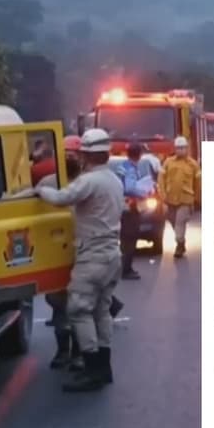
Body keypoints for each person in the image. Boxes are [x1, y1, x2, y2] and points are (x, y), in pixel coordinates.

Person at [36, 128, 124, 392]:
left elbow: (61, 198)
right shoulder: (113, 180)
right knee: (102, 310)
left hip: (92, 255)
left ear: (87, 155)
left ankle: (92, 369)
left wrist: (40, 191)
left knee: (78, 309)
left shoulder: (90, 181)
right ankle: (104, 368)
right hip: (112, 255)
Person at [158, 135, 201, 258]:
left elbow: (198, 184)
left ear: (187, 148)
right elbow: (161, 180)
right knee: (173, 222)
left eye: (183, 148)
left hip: (186, 200)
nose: (180, 150)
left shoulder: (193, 164)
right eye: (178, 148)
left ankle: (179, 243)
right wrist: (163, 195)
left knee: (179, 224)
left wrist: (197, 199)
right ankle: (181, 242)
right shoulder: (168, 162)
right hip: (170, 200)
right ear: (175, 149)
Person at [116, 143, 154, 280]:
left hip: (122, 208)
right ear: (139, 155)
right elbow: (130, 188)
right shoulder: (131, 169)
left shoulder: (123, 166)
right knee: (130, 239)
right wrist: (143, 193)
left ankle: (124, 267)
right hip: (130, 208)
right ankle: (126, 270)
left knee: (125, 239)